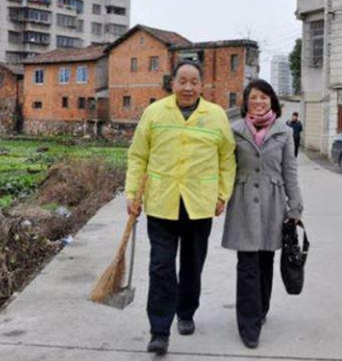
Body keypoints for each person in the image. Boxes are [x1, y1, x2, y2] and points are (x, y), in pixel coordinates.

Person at [125, 61, 236, 355]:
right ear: (172, 83)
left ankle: (185, 312)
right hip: (162, 202)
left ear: (202, 85)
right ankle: (159, 330)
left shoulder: (216, 115)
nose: (188, 87)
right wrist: (132, 194)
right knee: (160, 266)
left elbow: (227, 158)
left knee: (192, 265)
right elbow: (138, 155)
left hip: (199, 203)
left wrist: (222, 194)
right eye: (182, 81)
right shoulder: (154, 112)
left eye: (194, 81)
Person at [221, 79, 303, 349]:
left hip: (272, 203)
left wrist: (295, 206)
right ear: (246, 101)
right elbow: (225, 167)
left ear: (272, 101)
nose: (259, 101)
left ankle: (261, 309)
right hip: (243, 202)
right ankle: (248, 325)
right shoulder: (234, 130)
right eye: (254, 97)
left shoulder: (284, 132)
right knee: (247, 265)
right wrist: (218, 196)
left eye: (264, 97)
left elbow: (289, 171)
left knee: (265, 262)